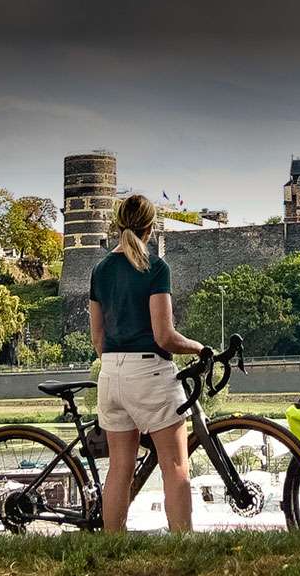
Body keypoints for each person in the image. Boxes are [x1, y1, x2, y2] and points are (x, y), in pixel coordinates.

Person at [88, 194, 211, 533]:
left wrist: (119, 365)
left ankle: (113, 544)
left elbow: (97, 338)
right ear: (151, 227)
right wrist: (200, 348)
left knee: (119, 468)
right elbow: (164, 336)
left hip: (110, 374)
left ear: (118, 225)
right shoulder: (155, 268)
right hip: (150, 372)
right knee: (175, 466)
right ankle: (182, 543)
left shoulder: (99, 270)